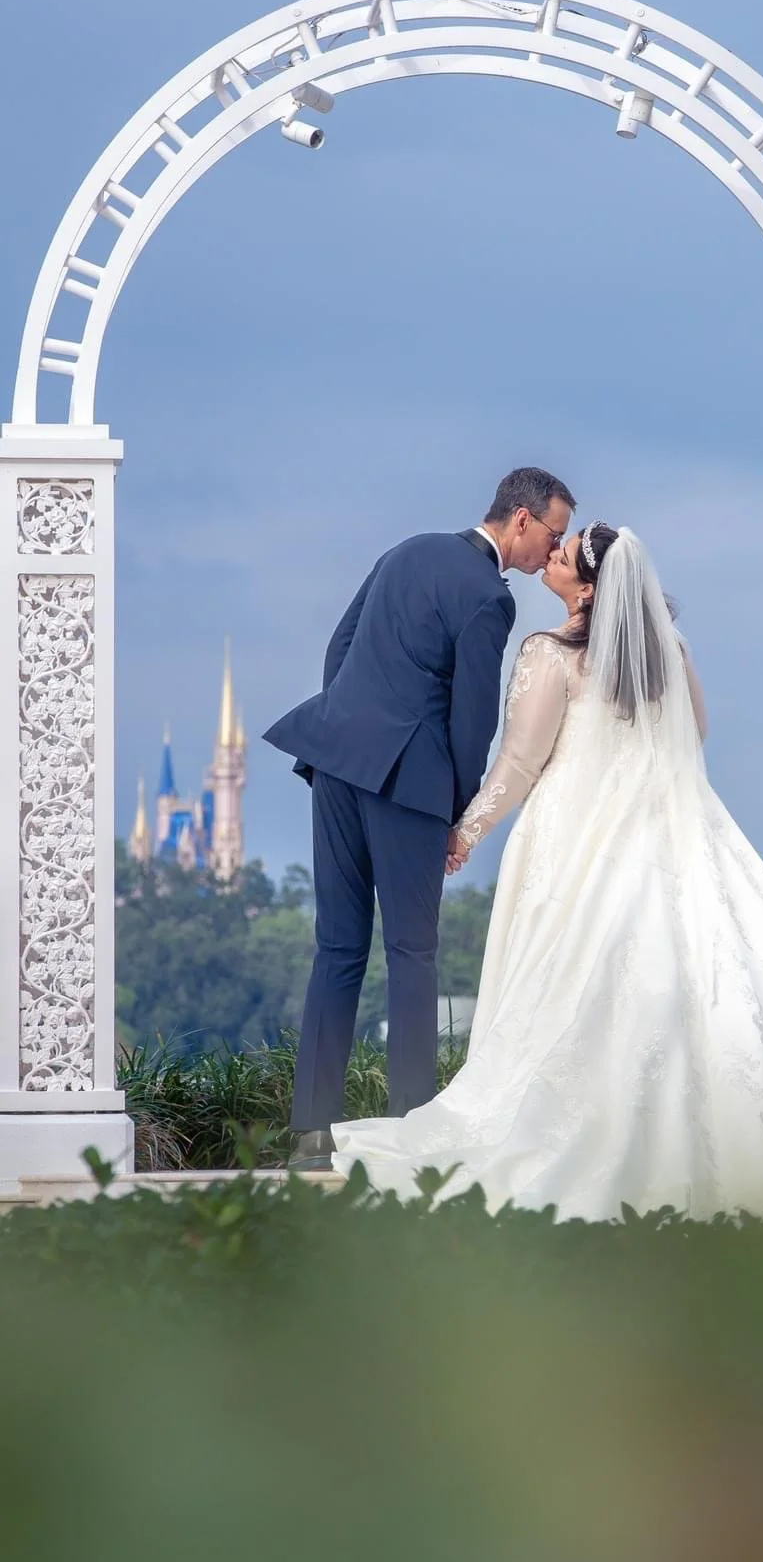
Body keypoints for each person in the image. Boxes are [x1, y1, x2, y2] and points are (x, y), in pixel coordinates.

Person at [332, 523, 763, 1221]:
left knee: (574, 979)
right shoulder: (669, 650)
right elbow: (691, 731)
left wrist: (466, 831)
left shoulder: (547, 654)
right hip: (672, 827)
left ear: (584, 591)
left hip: (572, 834)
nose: (548, 556)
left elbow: (519, 762)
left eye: (562, 555)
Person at [264, 467, 576, 1169]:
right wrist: (457, 812)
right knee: (412, 955)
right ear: (520, 520)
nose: (549, 553)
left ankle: (310, 1136)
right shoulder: (487, 599)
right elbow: (472, 721)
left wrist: (350, 722)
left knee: (336, 950)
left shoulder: (406, 549)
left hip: (335, 759)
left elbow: (338, 648)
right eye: (551, 535)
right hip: (408, 785)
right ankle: (414, 1132)